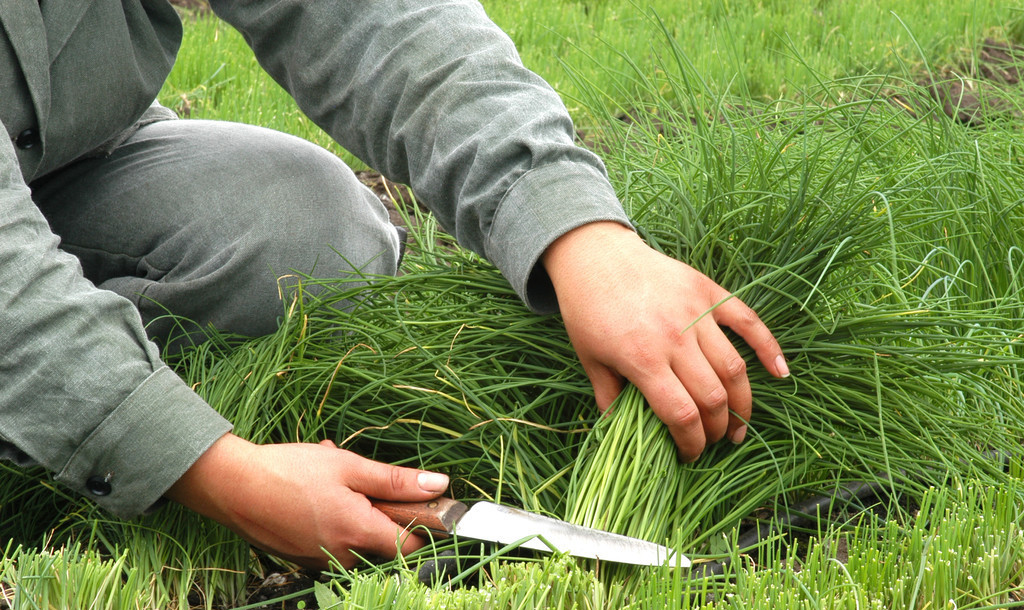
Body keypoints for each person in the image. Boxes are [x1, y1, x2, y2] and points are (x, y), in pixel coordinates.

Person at [0, 0, 788, 570]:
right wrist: (215, 473)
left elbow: (366, 18)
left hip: (59, 163)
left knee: (310, 233)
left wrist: (580, 237)